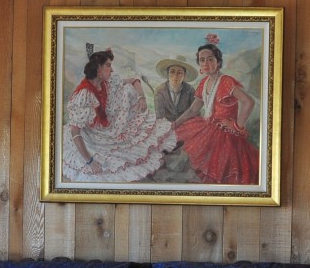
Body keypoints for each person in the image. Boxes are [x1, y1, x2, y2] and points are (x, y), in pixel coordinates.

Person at [61, 46, 176, 183]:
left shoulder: (108, 81)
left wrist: (141, 97)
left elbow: (134, 81)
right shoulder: (84, 94)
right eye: (108, 65)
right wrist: (90, 161)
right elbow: (75, 132)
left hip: (110, 125)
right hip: (93, 135)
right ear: (98, 68)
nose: (112, 70)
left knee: (128, 89)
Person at [174, 34, 260, 185]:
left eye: (210, 59)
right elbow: (193, 110)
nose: (205, 63)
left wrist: (237, 126)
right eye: (202, 60)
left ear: (218, 62)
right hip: (206, 127)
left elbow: (248, 102)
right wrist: (176, 123)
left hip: (225, 134)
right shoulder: (204, 82)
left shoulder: (226, 81)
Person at [151, 55, 199, 125]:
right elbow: (160, 117)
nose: (175, 76)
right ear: (167, 74)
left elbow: (195, 112)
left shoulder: (190, 90)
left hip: (186, 125)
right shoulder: (159, 91)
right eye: (172, 72)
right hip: (166, 125)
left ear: (184, 75)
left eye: (179, 73)